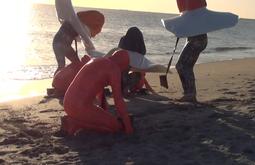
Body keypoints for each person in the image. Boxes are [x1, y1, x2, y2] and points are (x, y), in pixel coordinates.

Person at [62, 50, 134, 135]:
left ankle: (75, 119)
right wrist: (128, 125)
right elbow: (118, 100)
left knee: (102, 118)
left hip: (67, 103)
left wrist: (103, 113)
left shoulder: (97, 60)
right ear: (123, 64)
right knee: (115, 126)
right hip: (80, 107)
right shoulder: (114, 68)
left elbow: (98, 90)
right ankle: (76, 124)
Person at [53, 0, 105, 75]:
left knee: (65, 65)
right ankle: (60, 81)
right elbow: (85, 38)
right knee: (72, 64)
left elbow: (84, 38)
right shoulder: (76, 23)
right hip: (61, 45)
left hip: (58, 43)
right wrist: (95, 52)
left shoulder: (74, 21)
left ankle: (60, 81)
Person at [175, 0, 208, 102]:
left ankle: (190, 94)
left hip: (198, 39)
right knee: (183, 66)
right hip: (195, 38)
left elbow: (196, 13)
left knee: (182, 66)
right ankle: (189, 94)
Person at [117, 27, 155, 96]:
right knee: (139, 71)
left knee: (130, 70)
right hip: (132, 81)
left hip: (117, 80)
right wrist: (149, 88)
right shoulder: (137, 56)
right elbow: (141, 72)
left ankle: (124, 89)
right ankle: (128, 89)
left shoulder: (122, 51)